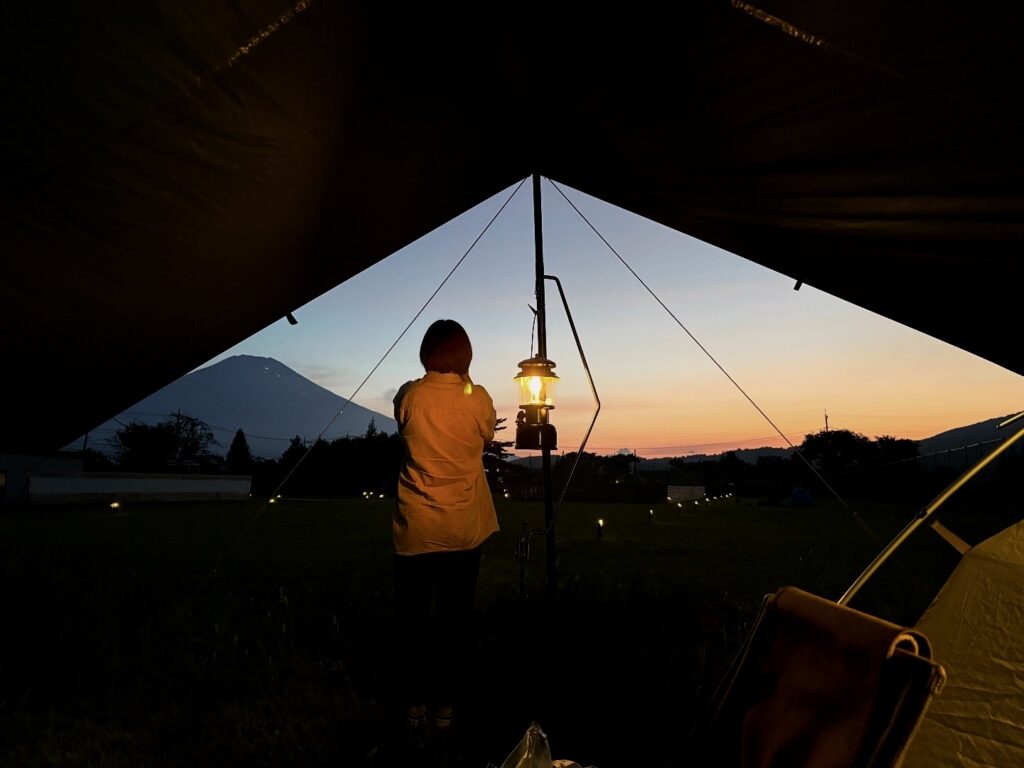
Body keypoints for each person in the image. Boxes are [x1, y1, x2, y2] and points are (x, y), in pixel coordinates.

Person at [392, 318, 498, 750]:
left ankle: (414, 707)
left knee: (413, 622)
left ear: (426, 352)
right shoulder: (479, 399)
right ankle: (446, 710)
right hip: (462, 529)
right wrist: (467, 383)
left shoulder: (409, 395)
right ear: (465, 354)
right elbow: (488, 432)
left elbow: (402, 422)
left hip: (415, 526)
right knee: (455, 622)